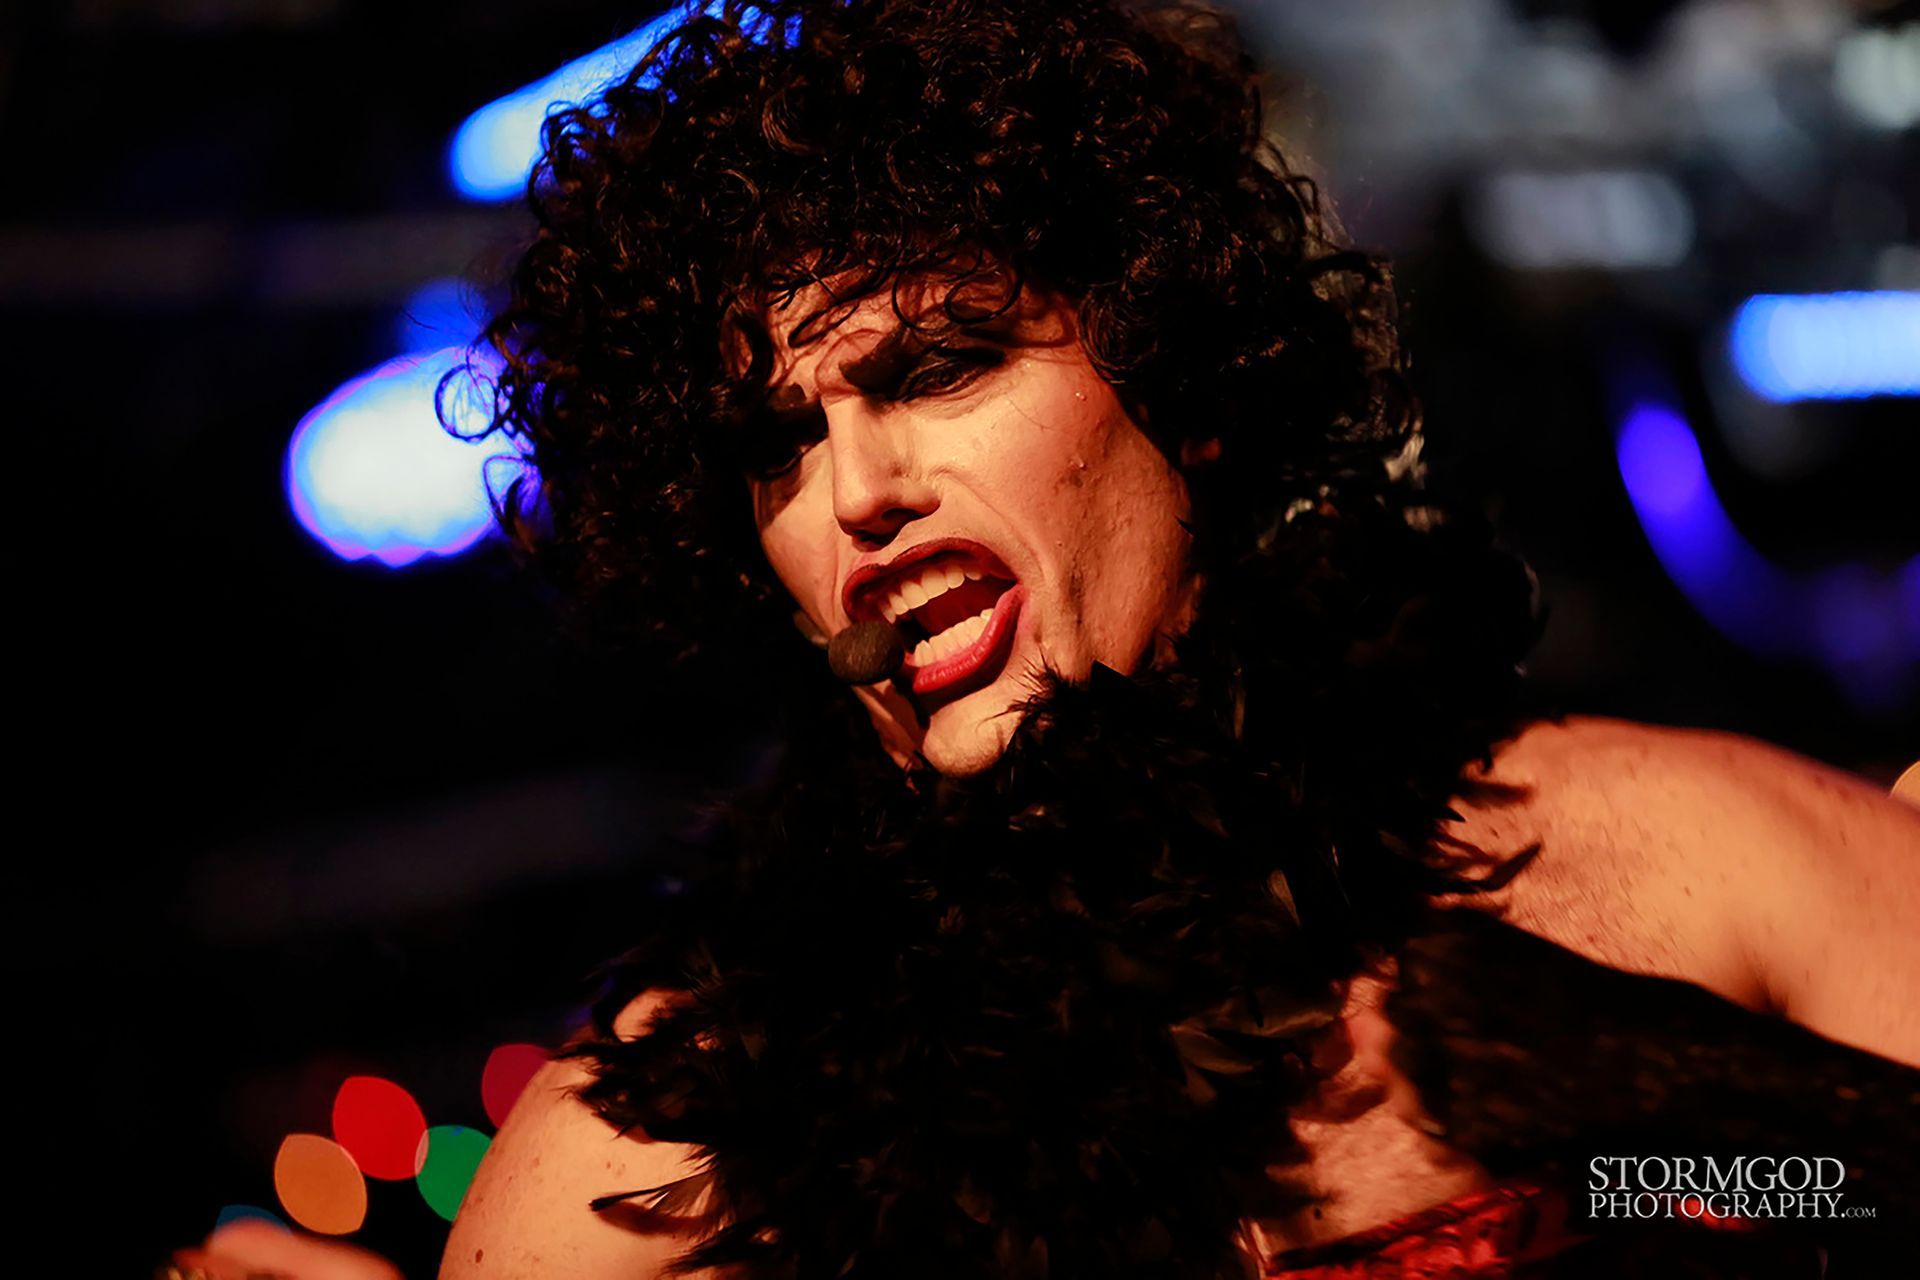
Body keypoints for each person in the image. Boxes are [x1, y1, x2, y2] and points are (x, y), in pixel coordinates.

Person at [175, 1, 1920, 1277]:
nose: (856, 491)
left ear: (1190, 395)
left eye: (935, 371)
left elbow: (1858, 1193)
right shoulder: (663, 1168)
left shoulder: (1635, 860)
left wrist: (1667, 1163)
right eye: (772, 447)